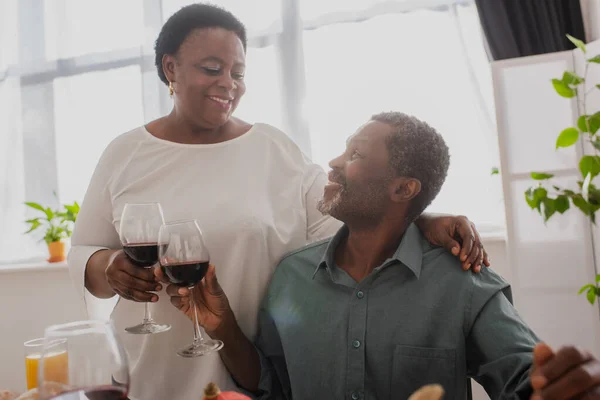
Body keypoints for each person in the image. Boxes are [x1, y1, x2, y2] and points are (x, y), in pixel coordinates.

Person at [69, 4, 489, 400]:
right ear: (170, 68)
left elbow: (350, 216)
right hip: (149, 371)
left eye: (238, 72)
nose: (228, 84)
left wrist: (422, 217)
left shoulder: (271, 148)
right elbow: (83, 253)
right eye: (212, 68)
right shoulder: (125, 153)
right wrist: (108, 267)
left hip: (251, 372)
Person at [165, 112, 600, 400]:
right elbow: (271, 384)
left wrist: (558, 387)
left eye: (355, 155)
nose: (333, 163)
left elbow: (525, 377)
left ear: (403, 189)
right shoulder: (292, 276)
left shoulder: (463, 280)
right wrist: (222, 325)